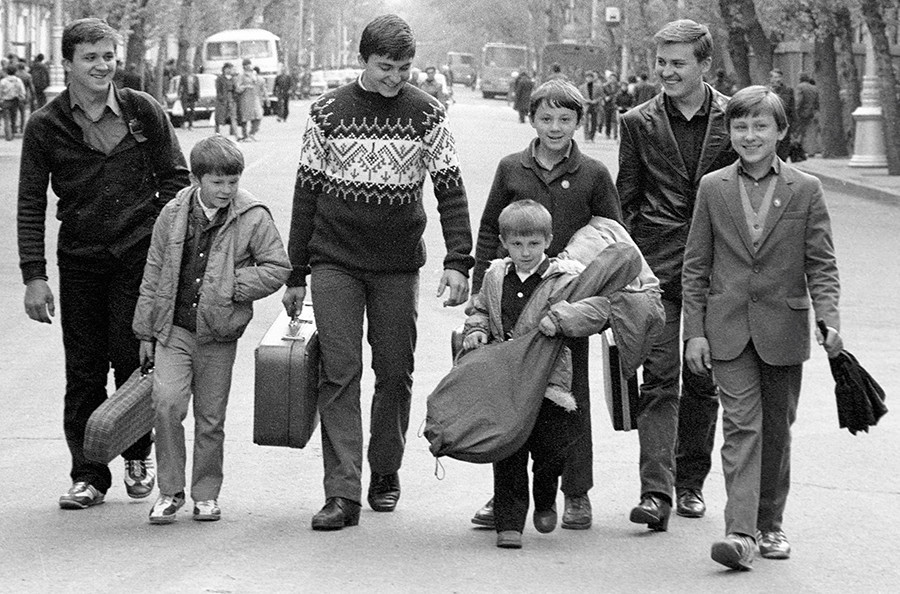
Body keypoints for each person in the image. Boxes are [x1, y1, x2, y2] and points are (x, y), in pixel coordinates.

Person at [281, 14, 474, 531]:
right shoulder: (327, 112)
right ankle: (341, 493)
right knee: (338, 374)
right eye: (386, 66)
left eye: (404, 67)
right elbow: (305, 195)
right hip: (334, 261)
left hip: (395, 265)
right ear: (364, 59)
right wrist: (295, 273)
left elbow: (450, 189)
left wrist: (459, 260)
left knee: (394, 372)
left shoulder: (428, 114)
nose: (395, 77)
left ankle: (384, 471)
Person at [17, 17, 191, 510]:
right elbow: (30, 203)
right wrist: (34, 276)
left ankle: (137, 453)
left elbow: (177, 182)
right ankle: (89, 474)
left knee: (133, 362)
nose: (101, 66)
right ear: (68, 63)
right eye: (90, 57)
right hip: (80, 263)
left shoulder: (142, 112)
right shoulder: (46, 125)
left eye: (108, 56)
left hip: (139, 262)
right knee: (85, 370)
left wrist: (157, 240)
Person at [682, 85, 842, 570]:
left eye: (760, 127)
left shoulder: (806, 189)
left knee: (777, 431)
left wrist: (829, 320)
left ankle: (772, 525)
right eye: (740, 126)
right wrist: (695, 331)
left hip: (785, 329)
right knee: (741, 426)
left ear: (781, 132)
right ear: (728, 132)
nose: (749, 136)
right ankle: (741, 532)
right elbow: (696, 266)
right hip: (726, 329)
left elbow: (822, 264)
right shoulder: (713, 187)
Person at [468, 79, 623, 531]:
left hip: (568, 306)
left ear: (579, 121)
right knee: (512, 399)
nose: (555, 128)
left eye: (566, 119)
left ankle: (576, 493)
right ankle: (506, 498)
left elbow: (613, 239)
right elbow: (488, 234)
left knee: (569, 401)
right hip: (514, 305)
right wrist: (481, 296)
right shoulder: (510, 168)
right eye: (546, 118)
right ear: (531, 118)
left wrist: (601, 303)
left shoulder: (594, 173)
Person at [617, 19, 737, 531]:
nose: (666, 72)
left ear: (704, 65)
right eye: (661, 62)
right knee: (660, 378)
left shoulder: (736, 117)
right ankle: (656, 493)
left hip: (718, 267)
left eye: (677, 63)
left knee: (703, 375)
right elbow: (626, 199)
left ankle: (691, 484)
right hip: (657, 264)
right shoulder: (637, 122)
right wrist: (624, 269)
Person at [133, 135, 291, 524]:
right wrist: (145, 332)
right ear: (195, 179)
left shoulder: (253, 215)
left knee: (210, 418)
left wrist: (232, 286)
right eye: (217, 182)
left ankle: (206, 494)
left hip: (219, 334)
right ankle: (169, 492)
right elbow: (154, 270)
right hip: (174, 330)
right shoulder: (172, 213)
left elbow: (277, 267)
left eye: (232, 182)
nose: (226, 190)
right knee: (167, 405)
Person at [463, 200, 614, 550]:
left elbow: (597, 311)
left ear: (548, 239)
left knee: (550, 452)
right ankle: (509, 522)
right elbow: (482, 311)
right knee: (508, 452)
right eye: (516, 244)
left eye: (533, 243)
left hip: (551, 384)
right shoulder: (495, 276)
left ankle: (545, 498)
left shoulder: (566, 278)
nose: (525, 252)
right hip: (509, 382)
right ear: (504, 242)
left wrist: (560, 319)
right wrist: (477, 330)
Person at [235, 58, 267, 141]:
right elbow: (237, 88)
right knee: (245, 118)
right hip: (245, 98)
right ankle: (245, 136)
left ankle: (252, 133)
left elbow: (261, 84)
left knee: (258, 116)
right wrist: (245, 87)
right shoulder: (241, 76)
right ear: (244, 66)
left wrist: (264, 97)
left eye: (249, 64)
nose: (249, 66)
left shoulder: (254, 74)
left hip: (255, 98)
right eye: (247, 64)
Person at [767, 69, 794, 160]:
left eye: (779, 77)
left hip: (784, 123)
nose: (777, 79)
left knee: (783, 151)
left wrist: (794, 127)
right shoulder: (766, 91)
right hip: (770, 123)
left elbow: (792, 109)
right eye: (774, 77)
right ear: (770, 79)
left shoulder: (788, 90)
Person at [794, 72, 820, 157]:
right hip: (812, 113)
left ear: (800, 79)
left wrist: (795, 111)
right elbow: (817, 102)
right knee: (811, 133)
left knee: (798, 132)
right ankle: (811, 151)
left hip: (802, 113)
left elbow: (799, 101)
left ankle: (797, 151)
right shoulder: (814, 88)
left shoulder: (800, 87)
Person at [0, 65, 26, 140]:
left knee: (6, 119)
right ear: (15, 72)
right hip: (15, 101)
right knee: (14, 117)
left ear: (7, 72)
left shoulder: (3, 81)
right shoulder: (18, 81)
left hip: (5, 101)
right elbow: (22, 91)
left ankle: (8, 135)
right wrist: (22, 97)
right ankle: (13, 132)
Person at [215, 62, 238, 138]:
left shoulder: (233, 78)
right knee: (220, 115)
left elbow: (235, 89)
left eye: (230, 69)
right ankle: (218, 131)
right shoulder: (220, 78)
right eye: (228, 68)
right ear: (224, 69)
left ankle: (233, 131)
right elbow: (218, 90)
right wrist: (221, 98)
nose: (229, 70)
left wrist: (234, 97)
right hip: (222, 98)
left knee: (232, 115)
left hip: (231, 97)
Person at [578, 70, 601, 142]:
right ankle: (586, 137)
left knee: (594, 122)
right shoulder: (581, 87)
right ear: (585, 78)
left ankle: (592, 137)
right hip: (586, 105)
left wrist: (596, 101)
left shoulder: (598, 87)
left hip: (594, 106)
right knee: (586, 122)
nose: (589, 79)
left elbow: (601, 96)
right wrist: (585, 100)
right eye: (587, 77)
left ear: (593, 78)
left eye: (590, 77)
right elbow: (579, 97)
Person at [178, 64, 200, 130]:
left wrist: (198, 96)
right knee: (185, 110)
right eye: (189, 68)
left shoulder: (195, 77)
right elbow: (180, 86)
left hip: (193, 95)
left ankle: (190, 125)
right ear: (187, 69)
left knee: (192, 110)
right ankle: (183, 123)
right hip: (185, 95)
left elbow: (198, 87)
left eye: (191, 68)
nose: (190, 70)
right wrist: (179, 94)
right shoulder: (183, 77)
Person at [600, 71, 620, 139]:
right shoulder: (605, 86)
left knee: (615, 120)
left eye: (614, 78)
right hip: (607, 105)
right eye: (611, 78)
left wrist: (612, 97)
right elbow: (602, 94)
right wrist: (605, 98)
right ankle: (607, 134)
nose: (613, 79)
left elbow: (619, 94)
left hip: (615, 104)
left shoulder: (619, 86)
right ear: (609, 79)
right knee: (607, 120)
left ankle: (615, 135)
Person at [15, 62, 35, 127]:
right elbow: (31, 87)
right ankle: (22, 126)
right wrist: (33, 95)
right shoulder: (28, 75)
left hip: (15, 95)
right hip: (24, 95)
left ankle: (15, 127)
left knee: (15, 112)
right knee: (22, 112)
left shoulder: (15, 75)